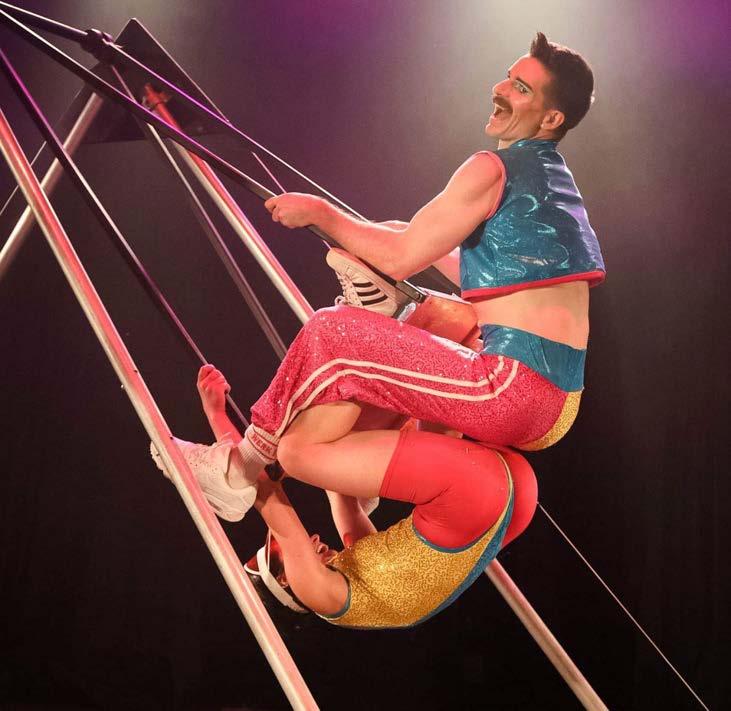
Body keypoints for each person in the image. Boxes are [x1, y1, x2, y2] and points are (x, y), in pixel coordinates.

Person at [152, 32, 602, 532]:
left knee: (333, 331)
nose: (500, 89)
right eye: (508, 77)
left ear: (551, 118)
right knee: (434, 311)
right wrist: (389, 234)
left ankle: (237, 470)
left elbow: (404, 257)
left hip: (510, 390)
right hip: (555, 404)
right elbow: (489, 271)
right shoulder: (554, 182)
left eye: (520, 88)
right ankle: (362, 453)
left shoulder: (492, 169)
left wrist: (321, 214)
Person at [152, 367, 538, 628]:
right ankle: (360, 362)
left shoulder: (360, 584)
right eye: (279, 553)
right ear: (284, 581)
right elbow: (263, 493)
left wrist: (334, 465)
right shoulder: (317, 594)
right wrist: (216, 415)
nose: (313, 539)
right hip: (472, 496)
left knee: (328, 454)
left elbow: (341, 496)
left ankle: (418, 357)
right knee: (293, 452)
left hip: (509, 500)